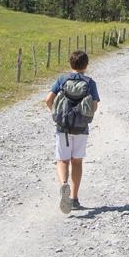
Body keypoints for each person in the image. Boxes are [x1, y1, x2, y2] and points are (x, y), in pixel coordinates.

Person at [45, 50, 100, 213]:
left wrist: (56, 114)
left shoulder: (62, 80)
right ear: (86, 65)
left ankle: (64, 185)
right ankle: (74, 199)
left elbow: (48, 99)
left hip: (63, 128)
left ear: (70, 64)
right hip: (81, 128)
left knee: (62, 160)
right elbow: (94, 106)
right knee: (77, 161)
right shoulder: (90, 82)